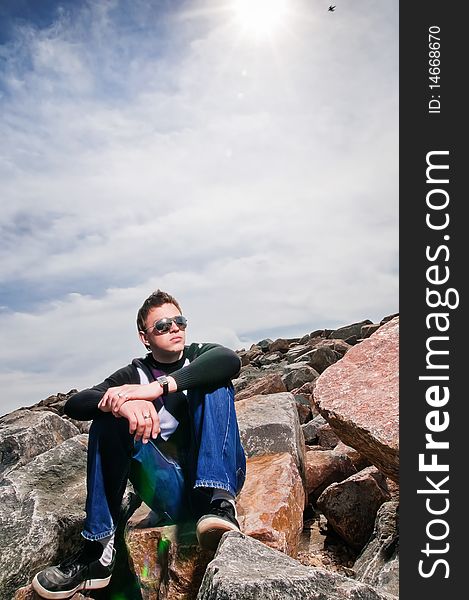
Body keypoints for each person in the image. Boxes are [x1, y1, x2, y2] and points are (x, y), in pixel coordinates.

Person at [32, 289, 246, 599]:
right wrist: (120, 404)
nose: (173, 328)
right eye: (161, 325)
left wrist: (156, 390)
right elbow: (77, 404)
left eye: (179, 321)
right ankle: (98, 552)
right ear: (145, 337)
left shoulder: (201, 355)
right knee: (108, 418)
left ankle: (222, 506)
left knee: (214, 383)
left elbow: (228, 360)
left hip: (213, 482)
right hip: (169, 489)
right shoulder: (133, 374)